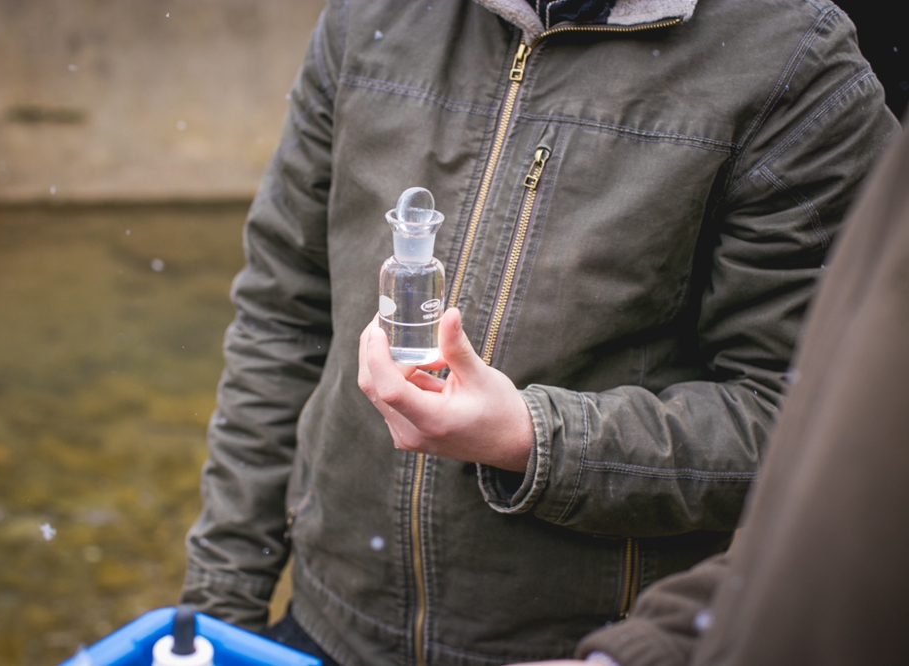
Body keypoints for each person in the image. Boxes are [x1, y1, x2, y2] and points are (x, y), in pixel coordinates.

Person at [181, 2, 898, 665]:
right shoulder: (367, 14)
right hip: (326, 631)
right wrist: (218, 610)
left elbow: (807, 425)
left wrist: (535, 438)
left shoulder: (793, 62)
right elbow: (281, 319)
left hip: (581, 649)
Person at [513, 109, 909, 666]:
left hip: (585, 617)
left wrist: (536, 434)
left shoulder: (805, 91)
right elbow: (817, 523)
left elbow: (784, 423)